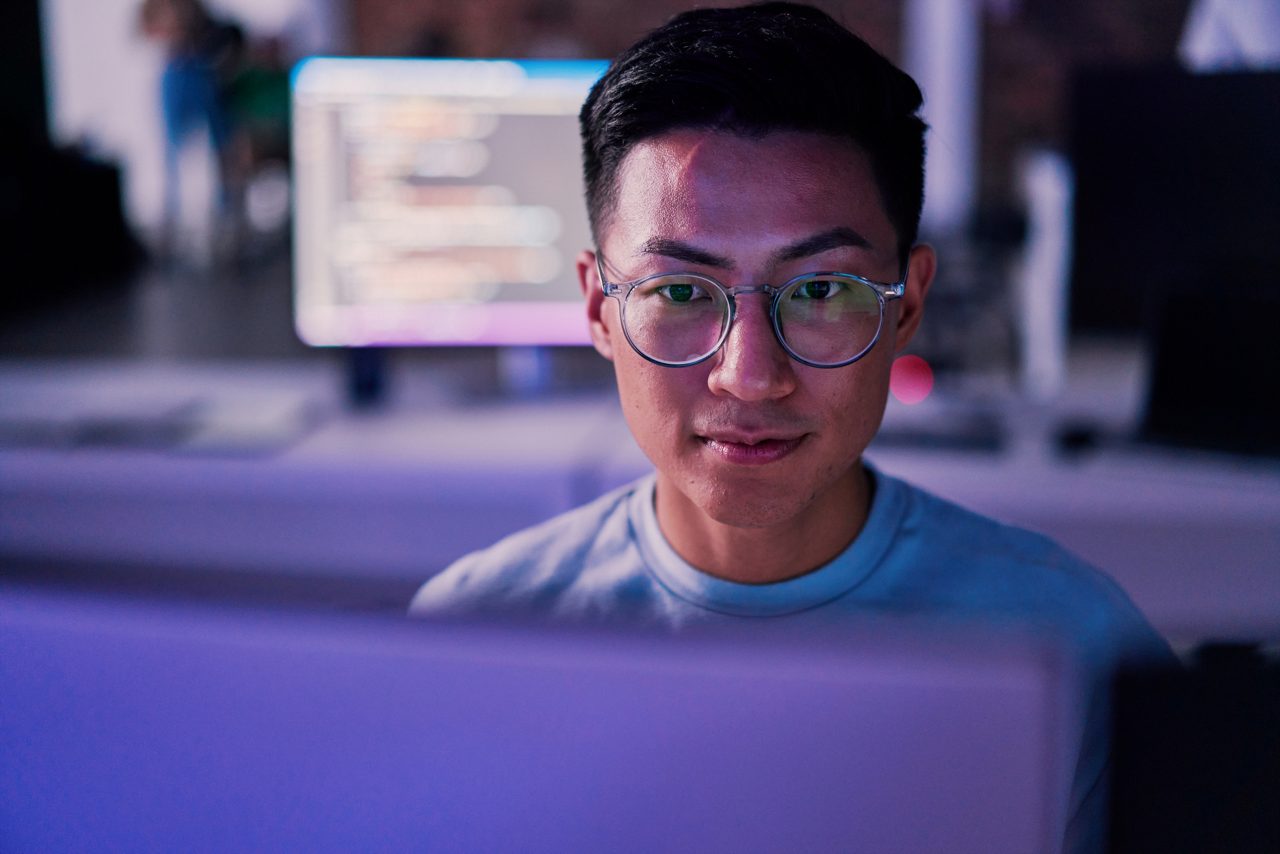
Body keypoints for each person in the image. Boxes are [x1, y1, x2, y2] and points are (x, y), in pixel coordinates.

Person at [411, 3, 1172, 849]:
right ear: (597, 306)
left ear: (908, 304)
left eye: (819, 291)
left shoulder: (1075, 644)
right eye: (678, 292)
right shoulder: (473, 637)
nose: (750, 375)